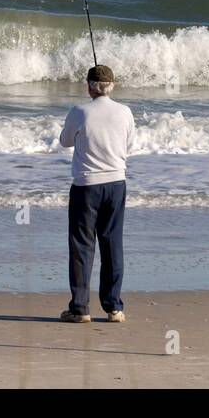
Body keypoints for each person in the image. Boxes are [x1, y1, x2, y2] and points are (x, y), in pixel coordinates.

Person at [58, 64, 136, 323]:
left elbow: (65, 141)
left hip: (86, 185)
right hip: (116, 183)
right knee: (112, 243)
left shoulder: (80, 112)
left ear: (89, 86)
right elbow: (130, 145)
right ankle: (114, 307)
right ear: (112, 86)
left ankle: (80, 309)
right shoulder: (125, 112)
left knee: (82, 246)